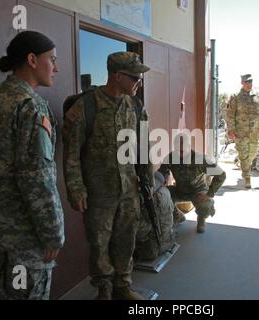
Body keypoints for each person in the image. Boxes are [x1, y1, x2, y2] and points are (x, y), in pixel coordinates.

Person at [0, 31, 64, 299]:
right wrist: (54, 233)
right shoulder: (31, 108)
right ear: (32, 60)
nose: (56, 68)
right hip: (24, 236)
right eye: (52, 60)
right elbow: (37, 179)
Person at [63, 51, 152, 300]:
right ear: (116, 76)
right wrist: (76, 189)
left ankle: (123, 286)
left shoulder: (135, 105)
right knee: (99, 244)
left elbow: (144, 149)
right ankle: (104, 289)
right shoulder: (86, 107)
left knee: (126, 239)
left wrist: (148, 182)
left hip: (130, 189)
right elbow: (71, 155)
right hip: (98, 193)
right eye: (135, 77)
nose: (139, 82)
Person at [158, 134, 226, 233]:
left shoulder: (200, 159)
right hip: (180, 191)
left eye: (182, 150)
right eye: (177, 149)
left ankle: (201, 218)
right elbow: (161, 174)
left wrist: (209, 194)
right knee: (161, 195)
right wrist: (156, 185)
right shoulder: (171, 157)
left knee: (206, 205)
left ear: (189, 146)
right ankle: (177, 216)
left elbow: (221, 175)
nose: (179, 152)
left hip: (198, 192)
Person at [226, 74, 259, 188]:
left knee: (253, 152)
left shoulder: (258, 96)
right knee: (243, 153)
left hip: (255, 131)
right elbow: (230, 115)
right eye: (246, 82)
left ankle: (245, 167)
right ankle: (247, 175)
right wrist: (231, 130)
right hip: (240, 131)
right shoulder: (235, 96)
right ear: (242, 83)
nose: (249, 84)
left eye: (250, 82)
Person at [134, 171, 176, 261]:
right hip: (169, 240)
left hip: (151, 249)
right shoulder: (166, 191)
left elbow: (141, 231)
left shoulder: (148, 200)